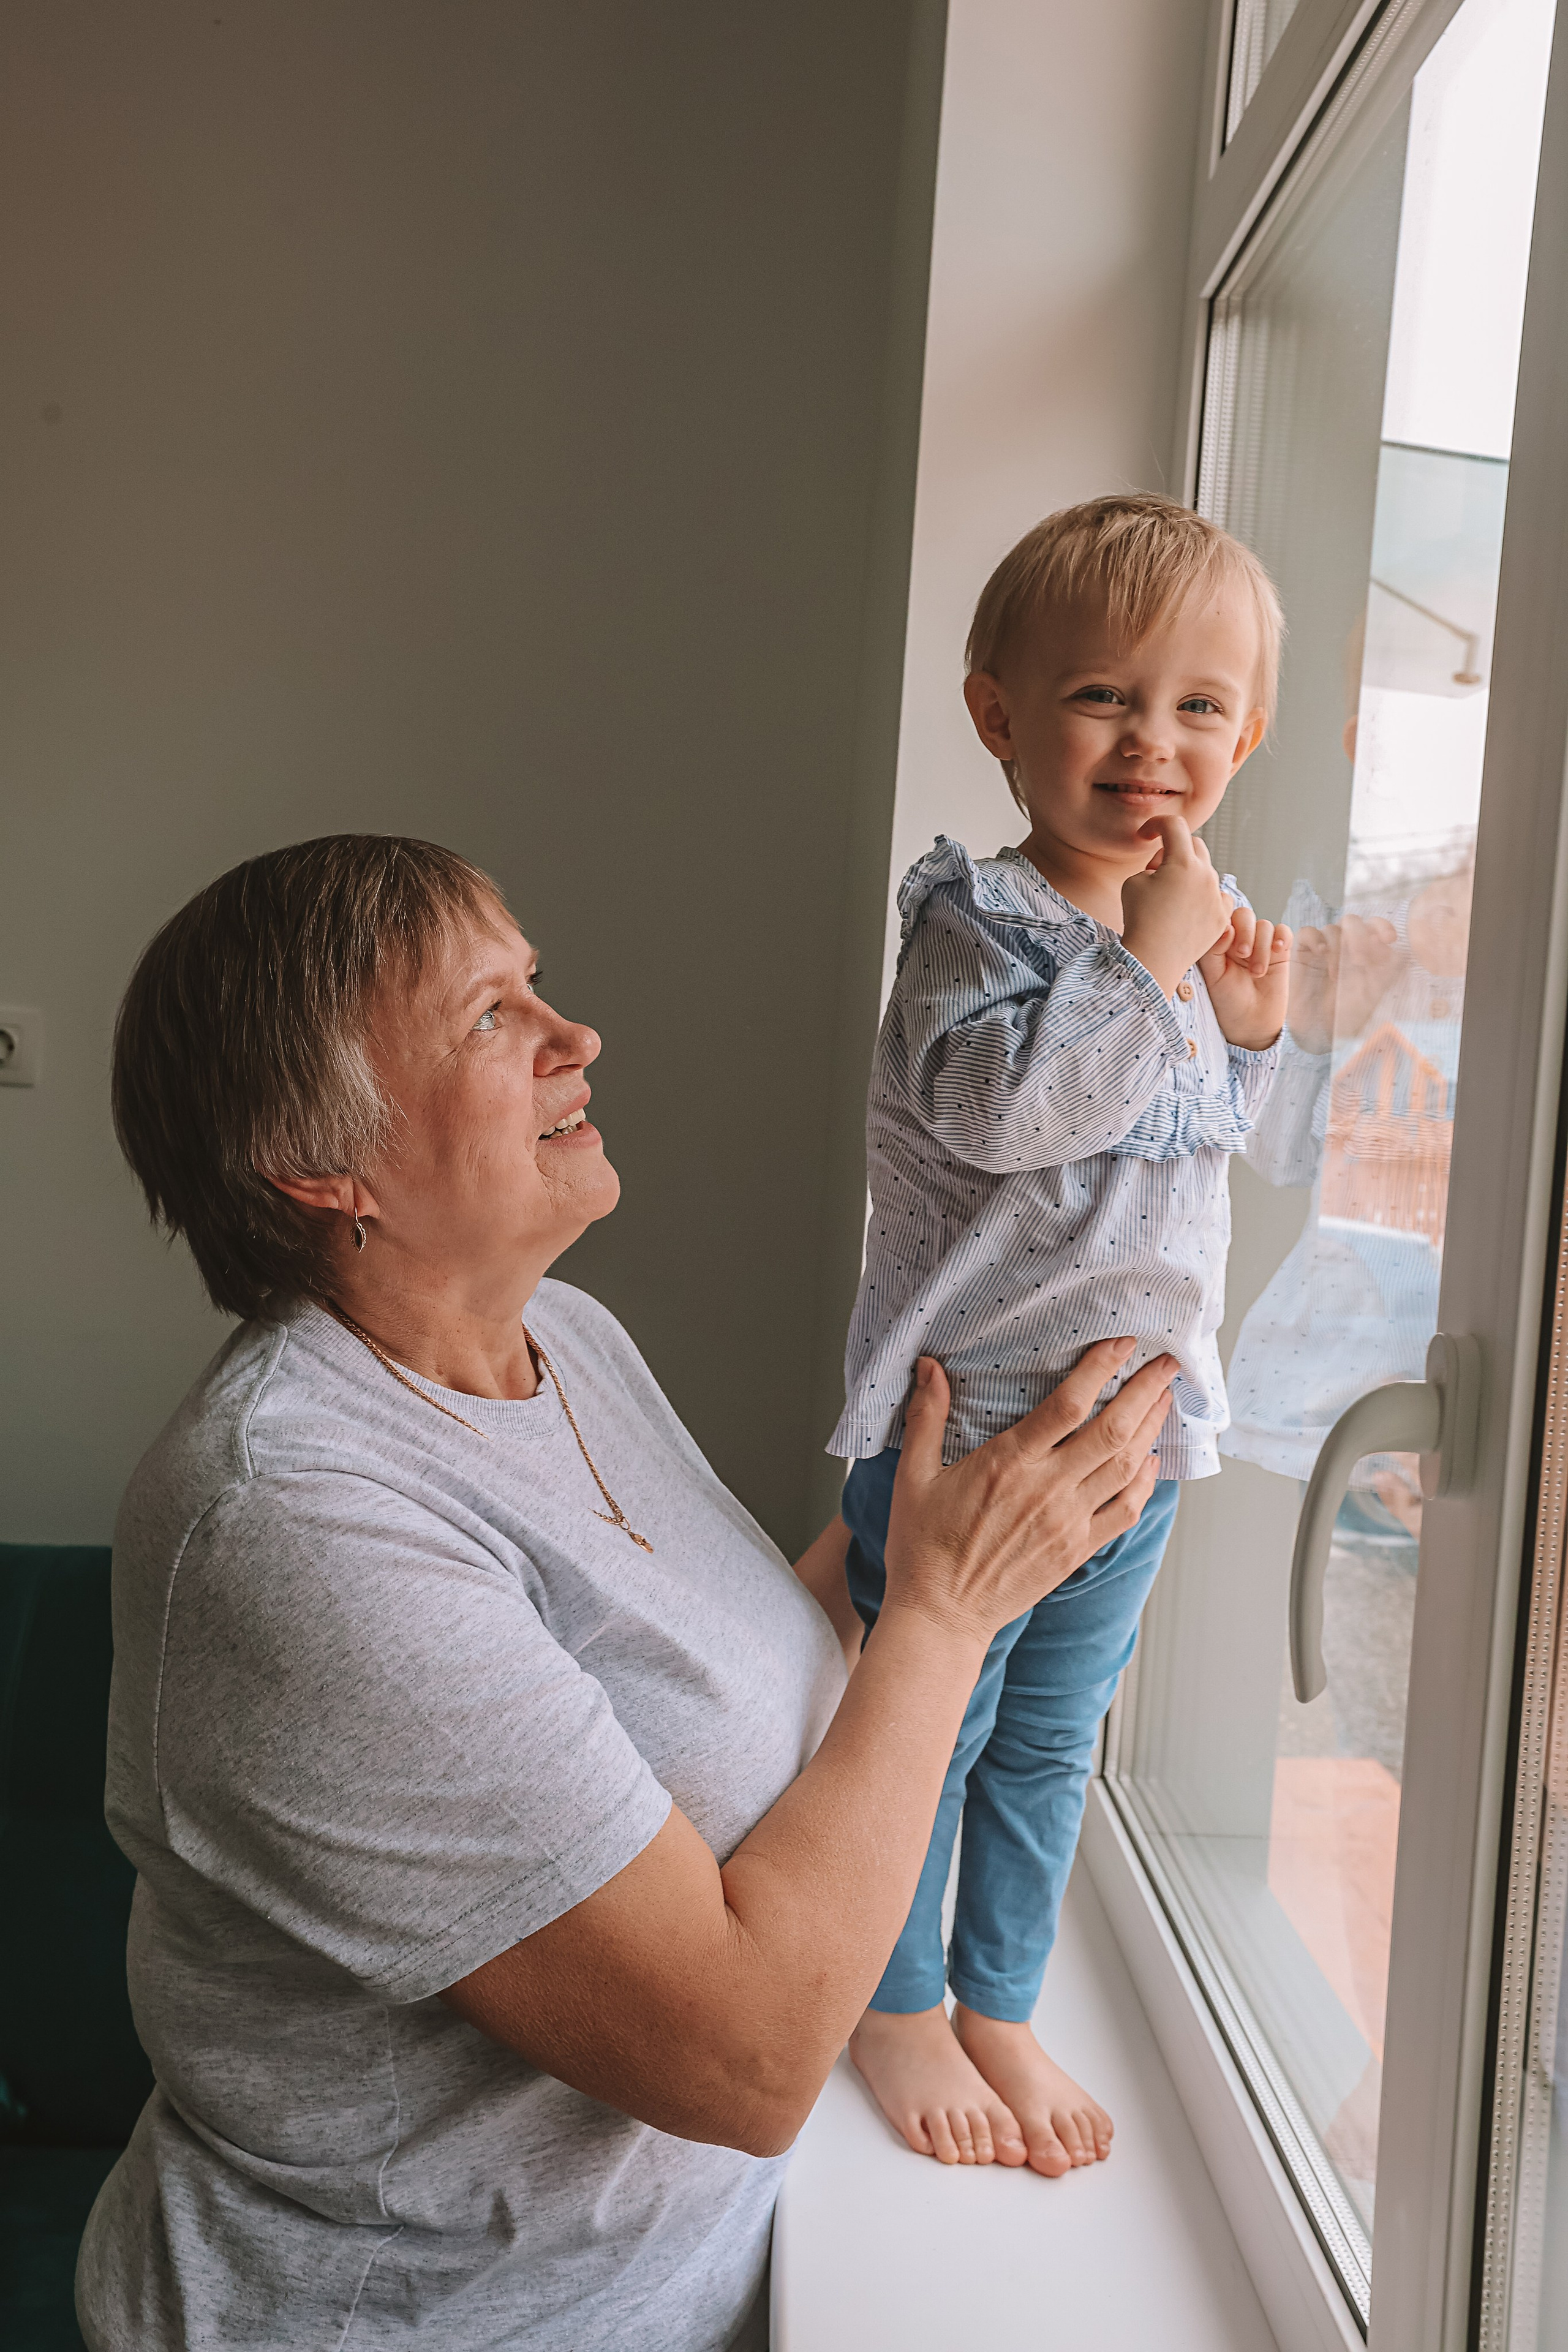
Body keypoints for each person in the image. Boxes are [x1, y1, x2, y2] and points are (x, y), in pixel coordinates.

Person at [77, 834, 1179, 2352]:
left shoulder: (565, 1339)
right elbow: (745, 2062)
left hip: (695, 2292)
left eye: (536, 985)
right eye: (487, 1018)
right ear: (322, 1167)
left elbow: (722, 1670)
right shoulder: (295, 1527)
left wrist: (943, 1541)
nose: (571, 1035)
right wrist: (942, 1611)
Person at [829, 494, 1291, 2177]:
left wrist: (1241, 1039)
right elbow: (1010, 1116)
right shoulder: (978, 920)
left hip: (1137, 1434)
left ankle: (999, 1997)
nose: (1152, 741)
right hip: (980, 1421)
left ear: (1247, 735)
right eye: (1105, 695)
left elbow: (1177, 1160)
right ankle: (890, 1996)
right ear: (1000, 715)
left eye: (1198, 707)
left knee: (1048, 1736)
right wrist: (1150, 971)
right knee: (930, 1725)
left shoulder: (1178, 937)